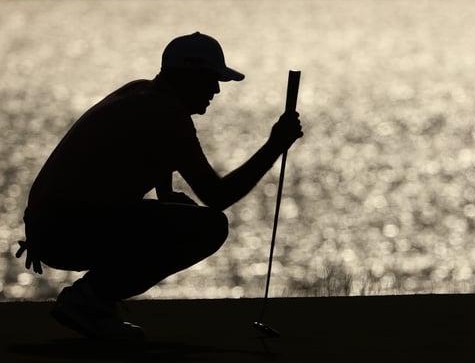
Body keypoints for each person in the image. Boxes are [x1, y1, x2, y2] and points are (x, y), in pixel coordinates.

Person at [15, 31, 303, 341]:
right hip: (65, 231)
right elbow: (217, 196)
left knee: (182, 217)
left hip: (51, 228)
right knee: (210, 227)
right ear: (190, 77)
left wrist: (166, 195)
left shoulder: (144, 94)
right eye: (211, 79)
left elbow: (148, 150)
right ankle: (89, 299)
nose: (217, 90)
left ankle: (94, 301)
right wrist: (275, 145)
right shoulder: (167, 114)